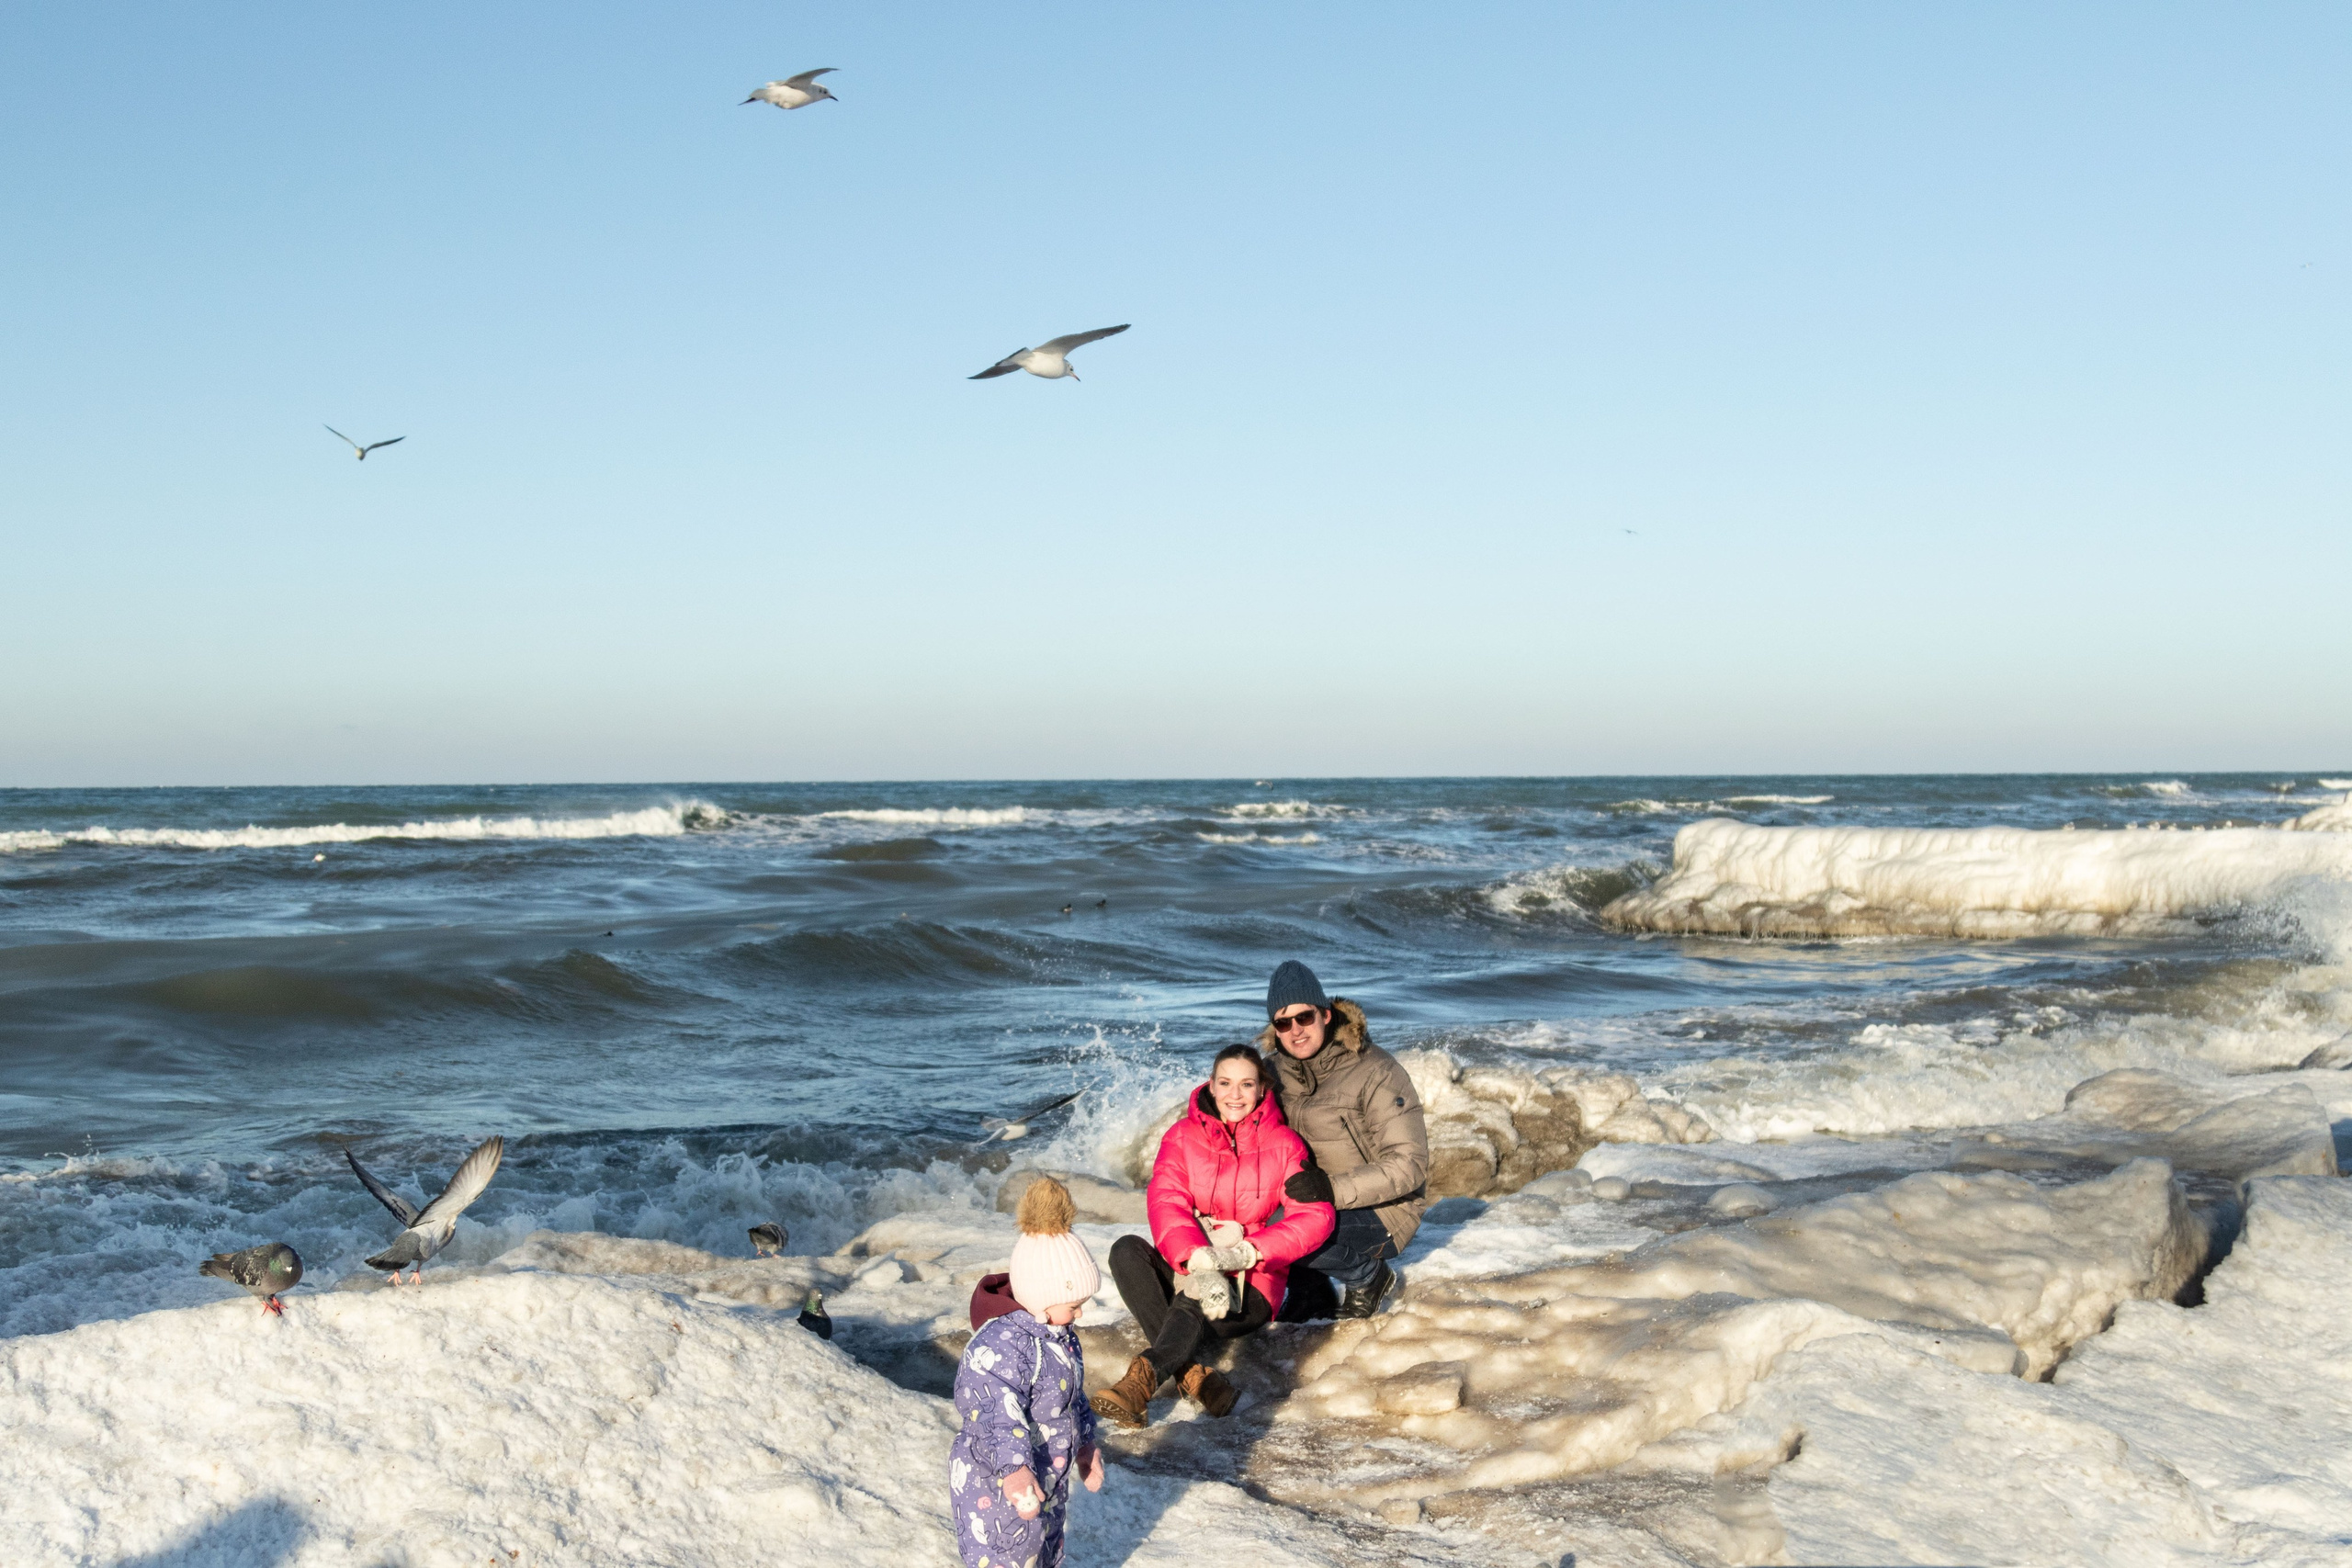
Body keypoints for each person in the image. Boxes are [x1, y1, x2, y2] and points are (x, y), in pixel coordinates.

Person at [1091, 1044, 1334, 1428]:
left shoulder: (1286, 1144)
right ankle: (1197, 1378)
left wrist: (1245, 1254)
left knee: (1190, 1299)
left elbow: (1315, 1216)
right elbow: (1166, 1201)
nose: (1234, 1094)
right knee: (1126, 1250)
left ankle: (1141, 1382)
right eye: (1225, 1083)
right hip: (1192, 1262)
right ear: (1212, 1085)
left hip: (1253, 1282)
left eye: (1246, 1084)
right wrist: (1197, 1261)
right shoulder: (1182, 1136)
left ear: (1261, 1089)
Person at [947, 1177, 1106, 1568]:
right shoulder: (998, 1347)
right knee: (1009, 1555)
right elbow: (993, 1412)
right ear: (1041, 1298)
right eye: (1074, 1303)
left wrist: (1085, 1445)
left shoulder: (1059, 1335)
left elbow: (1073, 1397)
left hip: (1048, 1473)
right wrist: (1015, 1471)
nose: (1080, 1313)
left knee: (1045, 1548)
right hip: (999, 1485)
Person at [1259, 959, 1429, 1319]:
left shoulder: (1375, 1069)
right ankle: (1310, 1289)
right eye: (1283, 1022)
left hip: (1382, 1211)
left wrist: (1331, 1189)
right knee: (1244, 1221)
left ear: (1325, 1014)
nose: (1296, 1031)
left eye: (1304, 1017)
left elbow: (1409, 1166)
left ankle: (1367, 1274)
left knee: (1277, 1234)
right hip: (1307, 1203)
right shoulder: (1271, 1073)